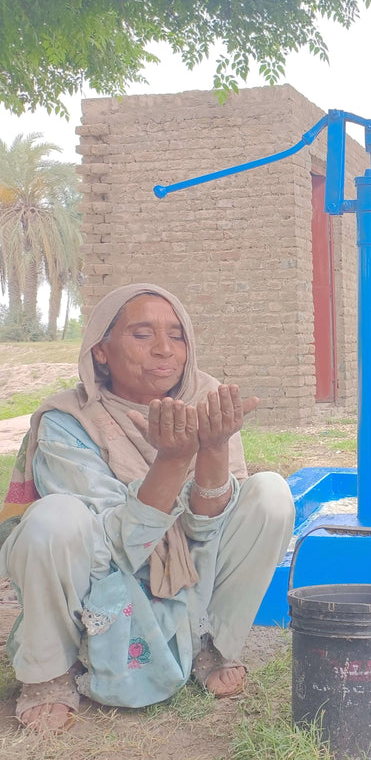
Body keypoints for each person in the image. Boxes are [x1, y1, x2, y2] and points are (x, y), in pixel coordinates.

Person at [0, 284, 295, 733]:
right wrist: (171, 464)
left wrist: (212, 448)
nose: (165, 350)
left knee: (271, 494)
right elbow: (112, 546)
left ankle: (207, 644)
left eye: (177, 336)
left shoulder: (207, 402)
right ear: (101, 352)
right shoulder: (68, 419)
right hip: (106, 575)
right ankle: (50, 674)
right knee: (52, 519)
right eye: (142, 335)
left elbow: (204, 532)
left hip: (191, 569)